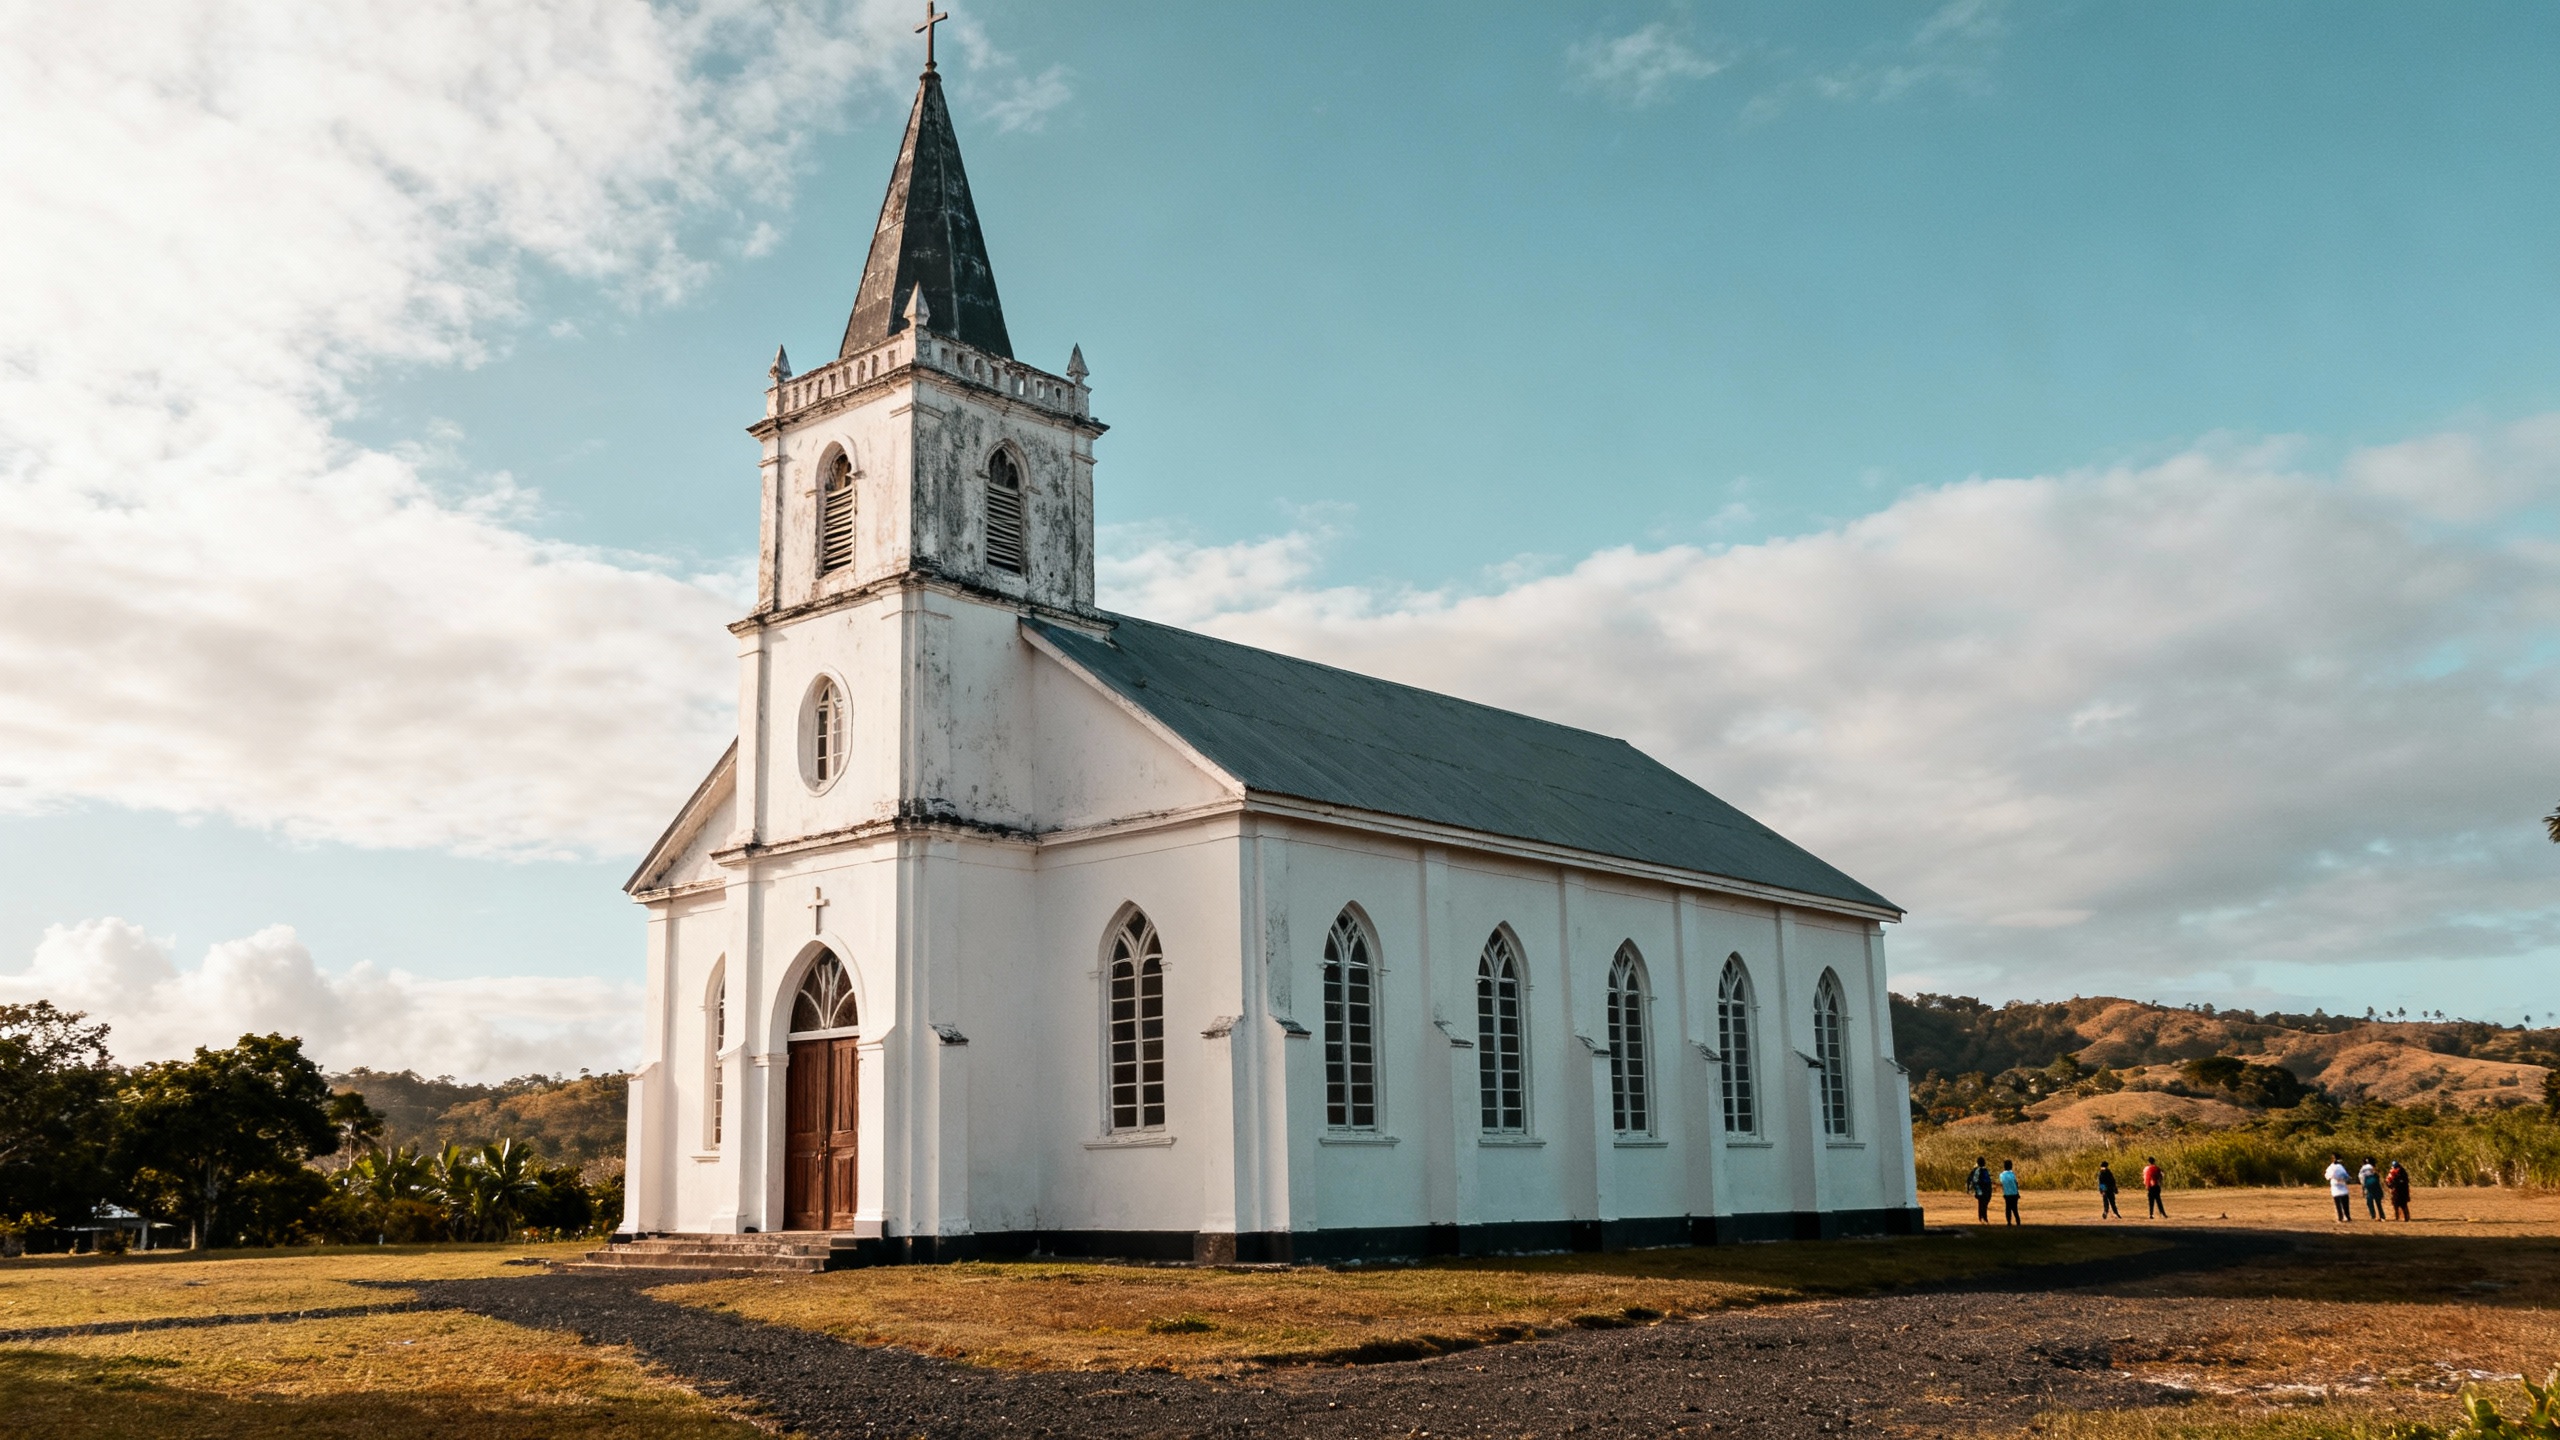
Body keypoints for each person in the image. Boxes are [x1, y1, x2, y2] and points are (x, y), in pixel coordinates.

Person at [2325, 1154, 2354, 1222]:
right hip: (2342, 1186)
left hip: (2335, 1187)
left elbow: (2327, 1176)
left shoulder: (2330, 1167)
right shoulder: (2340, 1167)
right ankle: (2347, 1216)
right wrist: (2348, 1178)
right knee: (2345, 1203)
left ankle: (2340, 1217)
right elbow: (2345, 1175)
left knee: (2338, 1204)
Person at [1968, 1156, 1995, 1223]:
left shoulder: (1976, 1170)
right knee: (1984, 1205)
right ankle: (1984, 1218)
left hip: (1980, 1190)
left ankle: (1981, 1217)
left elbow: (1972, 1180)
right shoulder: (1984, 1170)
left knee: (1981, 1204)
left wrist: (1970, 1189)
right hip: (1986, 1190)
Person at [2000, 1160, 2022, 1226]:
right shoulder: (2012, 1174)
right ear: (2011, 1166)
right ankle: (2018, 1221)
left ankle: (2009, 1221)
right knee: (2015, 1209)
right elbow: (2016, 1183)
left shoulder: (2001, 1175)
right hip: (2014, 1194)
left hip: (2007, 1194)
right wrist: (2018, 1193)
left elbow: (2002, 1184)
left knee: (2008, 1208)